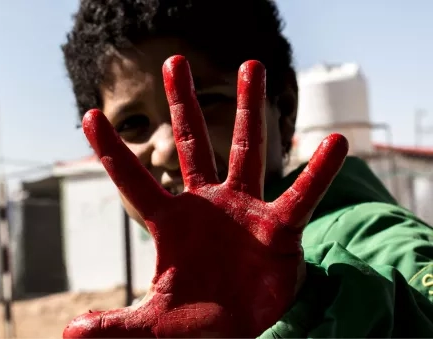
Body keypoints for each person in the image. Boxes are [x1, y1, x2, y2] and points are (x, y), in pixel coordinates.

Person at [61, 0, 433, 337]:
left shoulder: (376, 238)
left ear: (283, 108)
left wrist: (308, 305)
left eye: (205, 101)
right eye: (132, 124)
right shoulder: (172, 295)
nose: (168, 148)